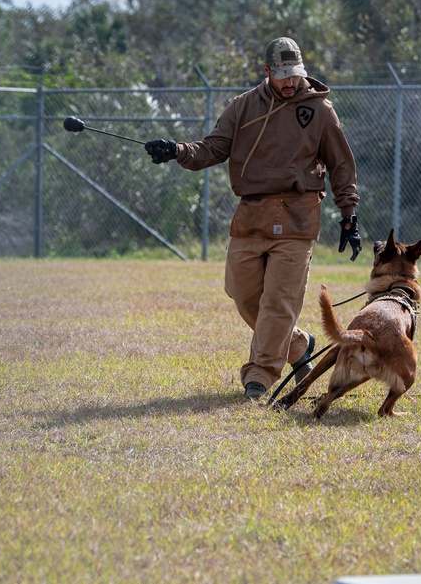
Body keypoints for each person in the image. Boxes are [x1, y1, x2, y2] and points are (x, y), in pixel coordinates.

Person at [144, 37, 361, 400]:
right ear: (266, 73)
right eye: (282, 76)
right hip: (252, 214)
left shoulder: (320, 111)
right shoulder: (242, 107)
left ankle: (258, 377)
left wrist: (349, 215)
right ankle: (297, 346)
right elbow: (212, 148)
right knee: (244, 296)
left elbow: (341, 165)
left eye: (295, 75)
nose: (290, 83)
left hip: (297, 217)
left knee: (278, 302)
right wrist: (177, 150)